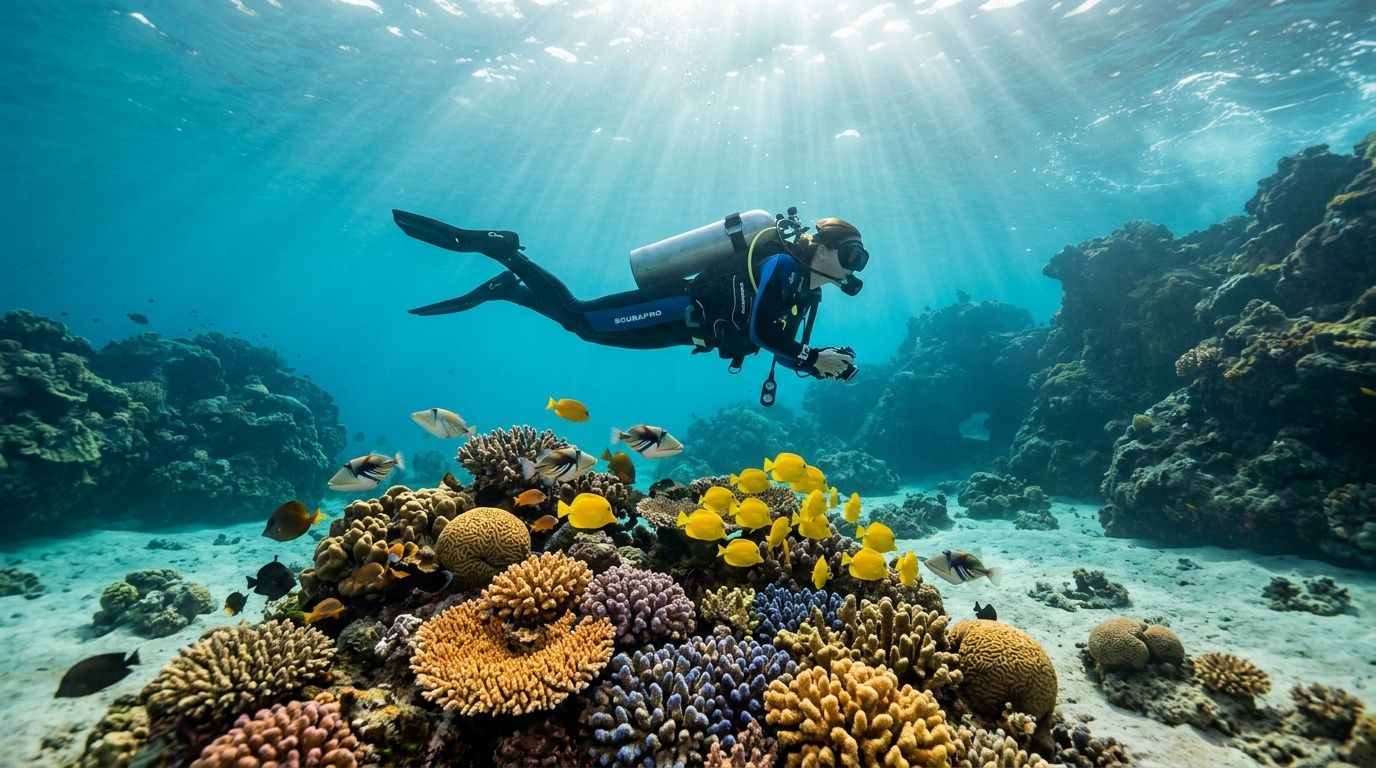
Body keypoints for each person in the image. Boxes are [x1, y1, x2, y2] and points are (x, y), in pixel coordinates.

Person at [393, 207, 868, 403]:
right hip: (675, 306)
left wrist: (822, 362)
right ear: (822, 248)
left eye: (858, 259)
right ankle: (505, 251)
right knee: (582, 316)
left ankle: (508, 288)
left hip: (686, 330)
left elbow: (781, 346)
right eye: (850, 255)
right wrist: (811, 357)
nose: (854, 267)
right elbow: (766, 333)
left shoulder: (807, 291)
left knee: (585, 328)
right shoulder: (784, 267)